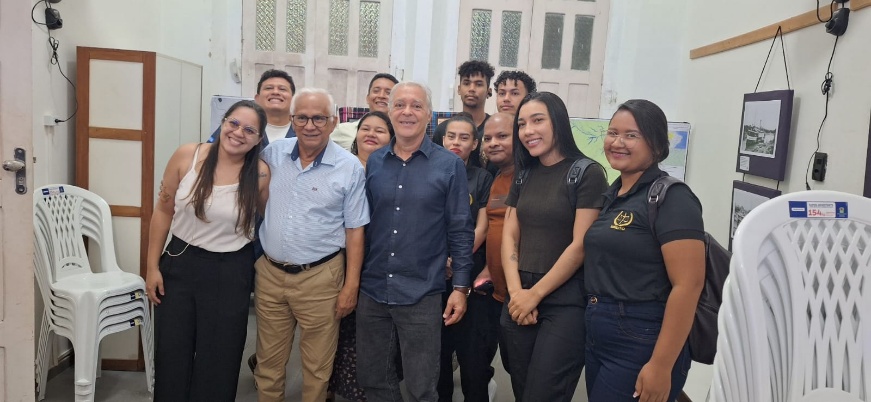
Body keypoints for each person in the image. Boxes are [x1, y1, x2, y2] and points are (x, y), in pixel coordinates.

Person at [356, 81, 474, 401]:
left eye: (416, 106)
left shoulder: (449, 165)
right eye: (400, 105)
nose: (407, 112)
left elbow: (461, 229)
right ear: (390, 111)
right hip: (373, 289)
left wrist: (460, 288)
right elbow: (363, 226)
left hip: (422, 291)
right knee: (373, 378)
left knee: (422, 385)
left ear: (429, 115)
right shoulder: (375, 162)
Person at [145, 100, 269, 402]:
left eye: (249, 130)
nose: (238, 133)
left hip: (230, 271)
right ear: (223, 123)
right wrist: (151, 267)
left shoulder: (260, 174)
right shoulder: (187, 155)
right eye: (234, 123)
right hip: (180, 262)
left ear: (258, 139)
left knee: (220, 356)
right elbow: (163, 210)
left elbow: (267, 220)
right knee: (172, 351)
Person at [583, 99, 705, 402]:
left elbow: (688, 285)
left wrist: (661, 365)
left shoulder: (672, 197)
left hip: (641, 336)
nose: (617, 142)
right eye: (613, 133)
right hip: (599, 333)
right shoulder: (614, 194)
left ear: (656, 144)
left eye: (631, 135)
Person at [254, 88, 369, 402]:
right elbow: (261, 199)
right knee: (268, 363)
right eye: (302, 118)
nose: (310, 125)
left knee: (317, 368)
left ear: (333, 122)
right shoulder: (273, 154)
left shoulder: (349, 168)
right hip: (270, 275)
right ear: (292, 120)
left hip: (321, 279)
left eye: (319, 118)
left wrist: (351, 286)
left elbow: (355, 231)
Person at [501, 92, 608, 402]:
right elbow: (509, 236)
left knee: (543, 394)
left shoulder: (587, 173)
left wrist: (534, 295)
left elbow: (580, 245)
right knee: (523, 390)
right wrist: (517, 293)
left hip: (565, 301)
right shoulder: (523, 174)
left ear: (558, 122)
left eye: (537, 120)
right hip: (519, 294)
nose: (528, 131)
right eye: (522, 124)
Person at [328, 110, 395, 401]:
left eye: (380, 130)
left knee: (368, 333)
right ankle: (329, 387)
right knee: (334, 327)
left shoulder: (395, 172)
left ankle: (364, 390)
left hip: (380, 259)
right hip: (338, 257)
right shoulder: (341, 165)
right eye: (366, 128)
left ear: (392, 138)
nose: (371, 134)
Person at [437, 114, 495, 402]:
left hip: (470, 273)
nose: (456, 142)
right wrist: (441, 259)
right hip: (435, 274)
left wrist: (457, 258)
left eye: (464, 137)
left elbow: (482, 227)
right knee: (438, 357)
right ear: (442, 140)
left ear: (474, 144)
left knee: (473, 358)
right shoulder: (430, 173)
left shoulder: (482, 178)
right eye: (451, 136)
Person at [480, 112, 517, 374]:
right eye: (488, 138)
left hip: (522, 294)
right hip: (497, 293)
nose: (493, 143)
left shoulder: (528, 177)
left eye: (502, 136)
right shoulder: (495, 177)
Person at [431, 60, 496, 168]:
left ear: (488, 91)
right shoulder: (443, 129)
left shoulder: (494, 129)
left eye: (478, 84)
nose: (471, 89)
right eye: (466, 83)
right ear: (459, 89)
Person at [208, 69, 297, 144]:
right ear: (257, 99)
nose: (275, 92)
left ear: (294, 100)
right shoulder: (235, 126)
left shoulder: (301, 130)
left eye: (282, 89)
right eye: (269, 88)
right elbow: (209, 151)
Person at [330, 73, 399, 150]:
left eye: (388, 93)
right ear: (367, 98)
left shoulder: (402, 134)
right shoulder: (344, 130)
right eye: (376, 91)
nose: (381, 96)